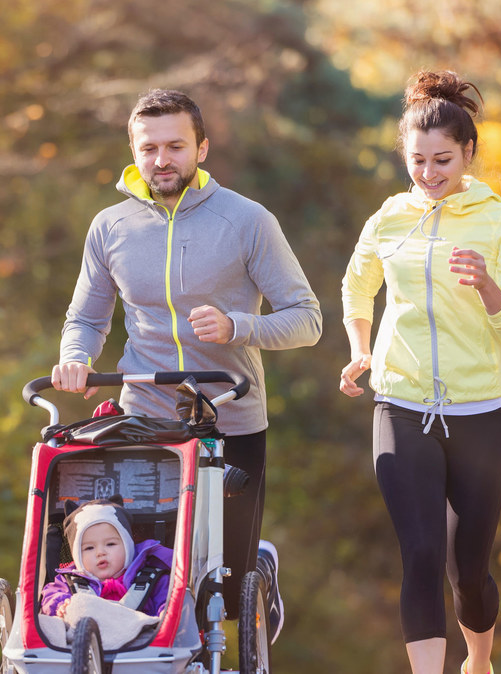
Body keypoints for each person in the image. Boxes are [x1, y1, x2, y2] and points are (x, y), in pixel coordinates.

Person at [51, 88, 322, 641]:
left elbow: (307, 319)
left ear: (202, 148)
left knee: (224, 591)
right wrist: (74, 359)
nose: (161, 160)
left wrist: (237, 326)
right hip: (142, 418)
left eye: (175, 146)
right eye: (149, 147)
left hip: (229, 416)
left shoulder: (247, 221)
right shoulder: (111, 227)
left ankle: (258, 568)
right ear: (133, 149)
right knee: (136, 572)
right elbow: (85, 318)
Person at [339, 70, 501, 674]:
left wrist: (488, 288)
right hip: (401, 402)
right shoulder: (389, 218)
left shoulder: (500, 223)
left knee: (467, 569)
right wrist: (360, 348)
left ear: (469, 153)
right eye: (418, 161)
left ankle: (479, 662)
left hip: (481, 413)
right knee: (421, 552)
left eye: (443, 160)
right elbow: (356, 288)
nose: (429, 174)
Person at [40, 497, 173, 618]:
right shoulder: (67, 582)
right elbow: (50, 595)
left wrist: (165, 613)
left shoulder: (153, 580)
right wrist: (61, 605)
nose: (100, 553)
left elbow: (167, 602)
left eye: (110, 544)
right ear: (78, 556)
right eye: (89, 548)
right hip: (85, 639)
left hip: (143, 639)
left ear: (128, 547)